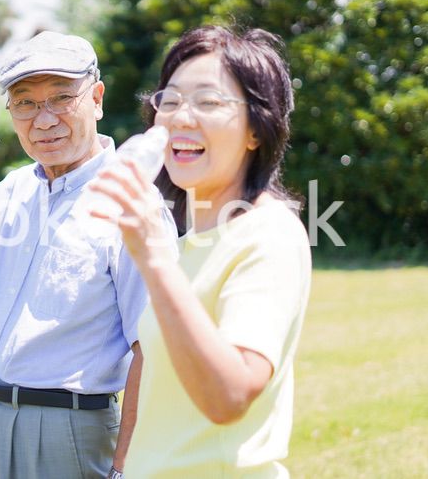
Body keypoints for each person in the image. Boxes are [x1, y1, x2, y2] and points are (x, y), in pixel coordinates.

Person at [0, 31, 175, 479]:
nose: (44, 119)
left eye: (60, 98)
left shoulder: (132, 200)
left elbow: (153, 349)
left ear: (95, 98)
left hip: (71, 431)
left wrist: (124, 468)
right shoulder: (11, 190)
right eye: (26, 103)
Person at [88, 25, 312, 478]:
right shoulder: (186, 242)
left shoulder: (269, 235)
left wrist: (154, 261)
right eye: (168, 101)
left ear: (256, 129)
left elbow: (229, 396)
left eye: (208, 102)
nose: (180, 118)